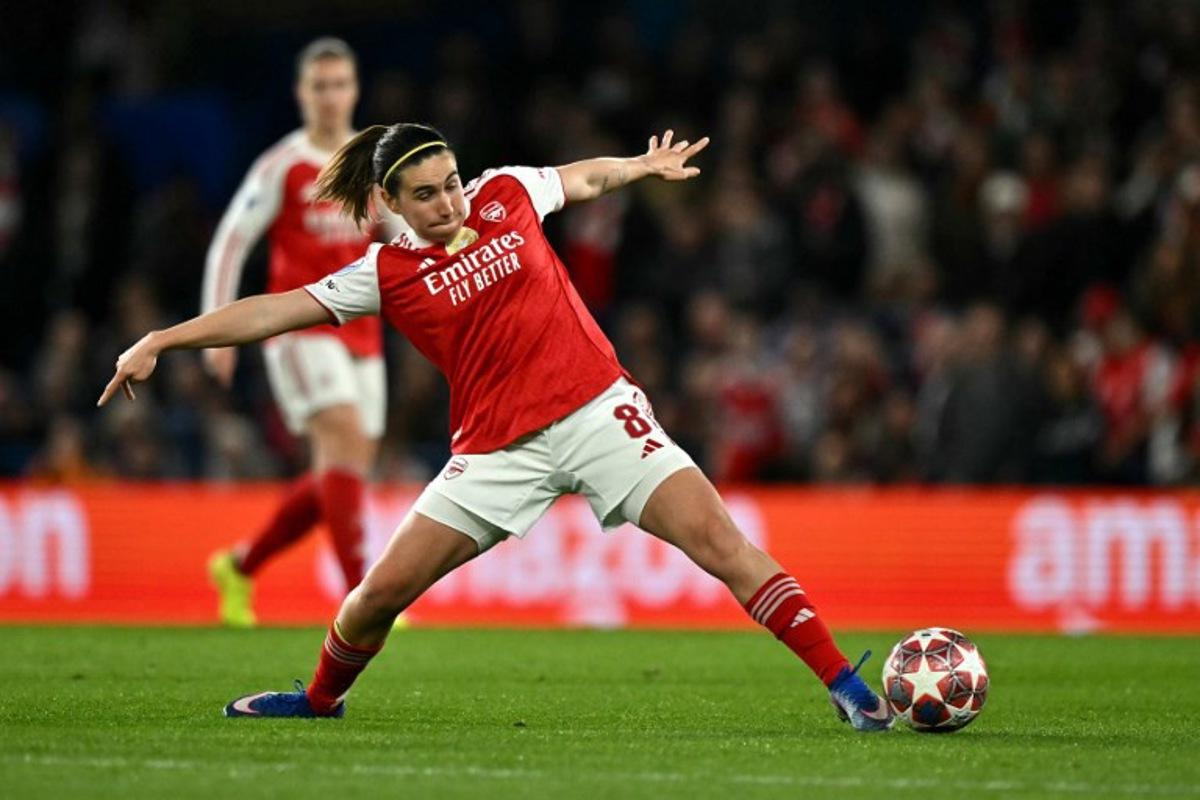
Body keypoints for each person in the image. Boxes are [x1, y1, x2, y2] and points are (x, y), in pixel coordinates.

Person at [99, 123, 893, 732]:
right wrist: (163, 339)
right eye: (427, 195)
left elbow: (580, 178)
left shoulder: (506, 193)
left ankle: (848, 690)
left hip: (598, 413)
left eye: (450, 184)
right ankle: (319, 700)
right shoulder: (385, 272)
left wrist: (639, 169)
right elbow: (274, 310)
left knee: (722, 546)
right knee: (376, 598)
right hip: (494, 452)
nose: (449, 203)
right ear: (392, 205)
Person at [200, 38, 397, 627]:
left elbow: (395, 238)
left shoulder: (370, 162)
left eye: (340, 85)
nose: (331, 97)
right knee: (338, 432)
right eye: (320, 86)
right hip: (299, 327)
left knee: (339, 475)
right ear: (301, 93)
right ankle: (365, 598)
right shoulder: (282, 164)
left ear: (354, 90)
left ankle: (239, 566)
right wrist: (218, 333)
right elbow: (232, 241)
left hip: (363, 331)